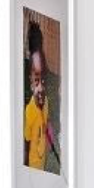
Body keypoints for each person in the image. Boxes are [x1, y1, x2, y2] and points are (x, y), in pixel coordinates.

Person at [23, 26, 60, 174]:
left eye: (43, 81)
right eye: (36, 82)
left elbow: (49, 127)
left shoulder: (46, 103)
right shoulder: (29, 110)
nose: (40, 87)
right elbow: (25, 141)